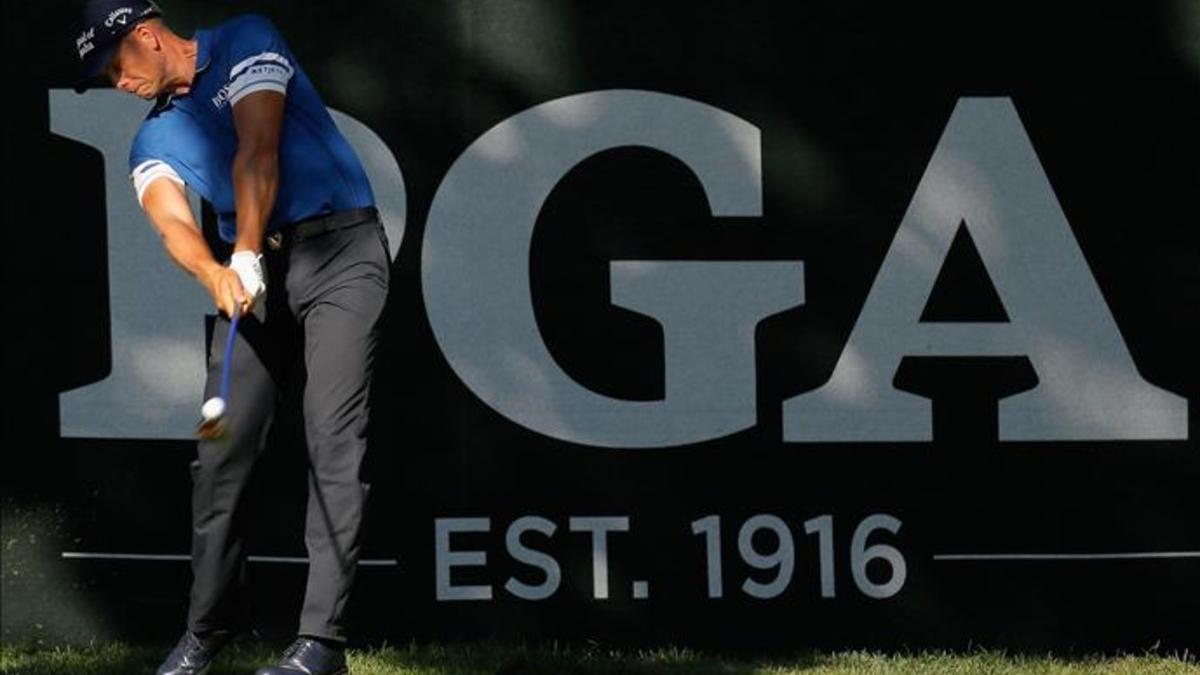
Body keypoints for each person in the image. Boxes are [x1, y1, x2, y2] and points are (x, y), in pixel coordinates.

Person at [72, 1, 390, 673]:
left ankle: (320, 642)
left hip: (341, 251)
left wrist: (242, 248)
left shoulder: (246, 38)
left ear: (148, 37)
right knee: (221, 453)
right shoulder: (151, 140)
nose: (115, 84)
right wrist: (214, 269)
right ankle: (209, 627)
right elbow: (172, 223)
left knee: (333, 437)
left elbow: (258, 148)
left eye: (113, 67)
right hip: (252, 277)